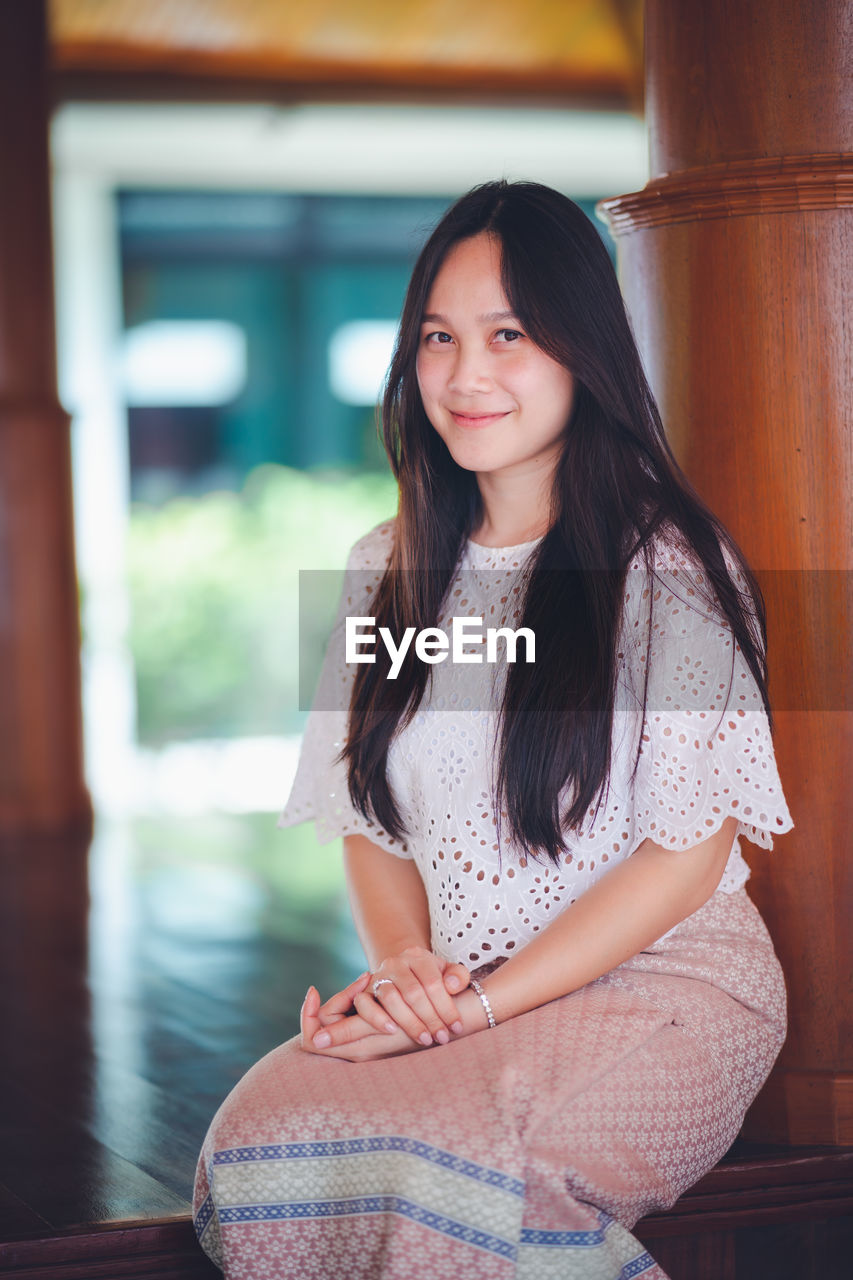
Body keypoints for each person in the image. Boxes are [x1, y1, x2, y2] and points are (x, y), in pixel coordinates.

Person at [192, 181, 792, 1280]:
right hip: (465, 993)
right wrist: (412, 971)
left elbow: (685, 857)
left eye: (507, 335)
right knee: (257, 1141)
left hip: (667, 992)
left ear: (583, 350)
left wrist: (467, 1005)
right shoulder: (385, 567)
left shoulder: (672, 573)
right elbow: (365, 818)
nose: (464, 375)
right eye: (438, 336)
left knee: (466, 1176)